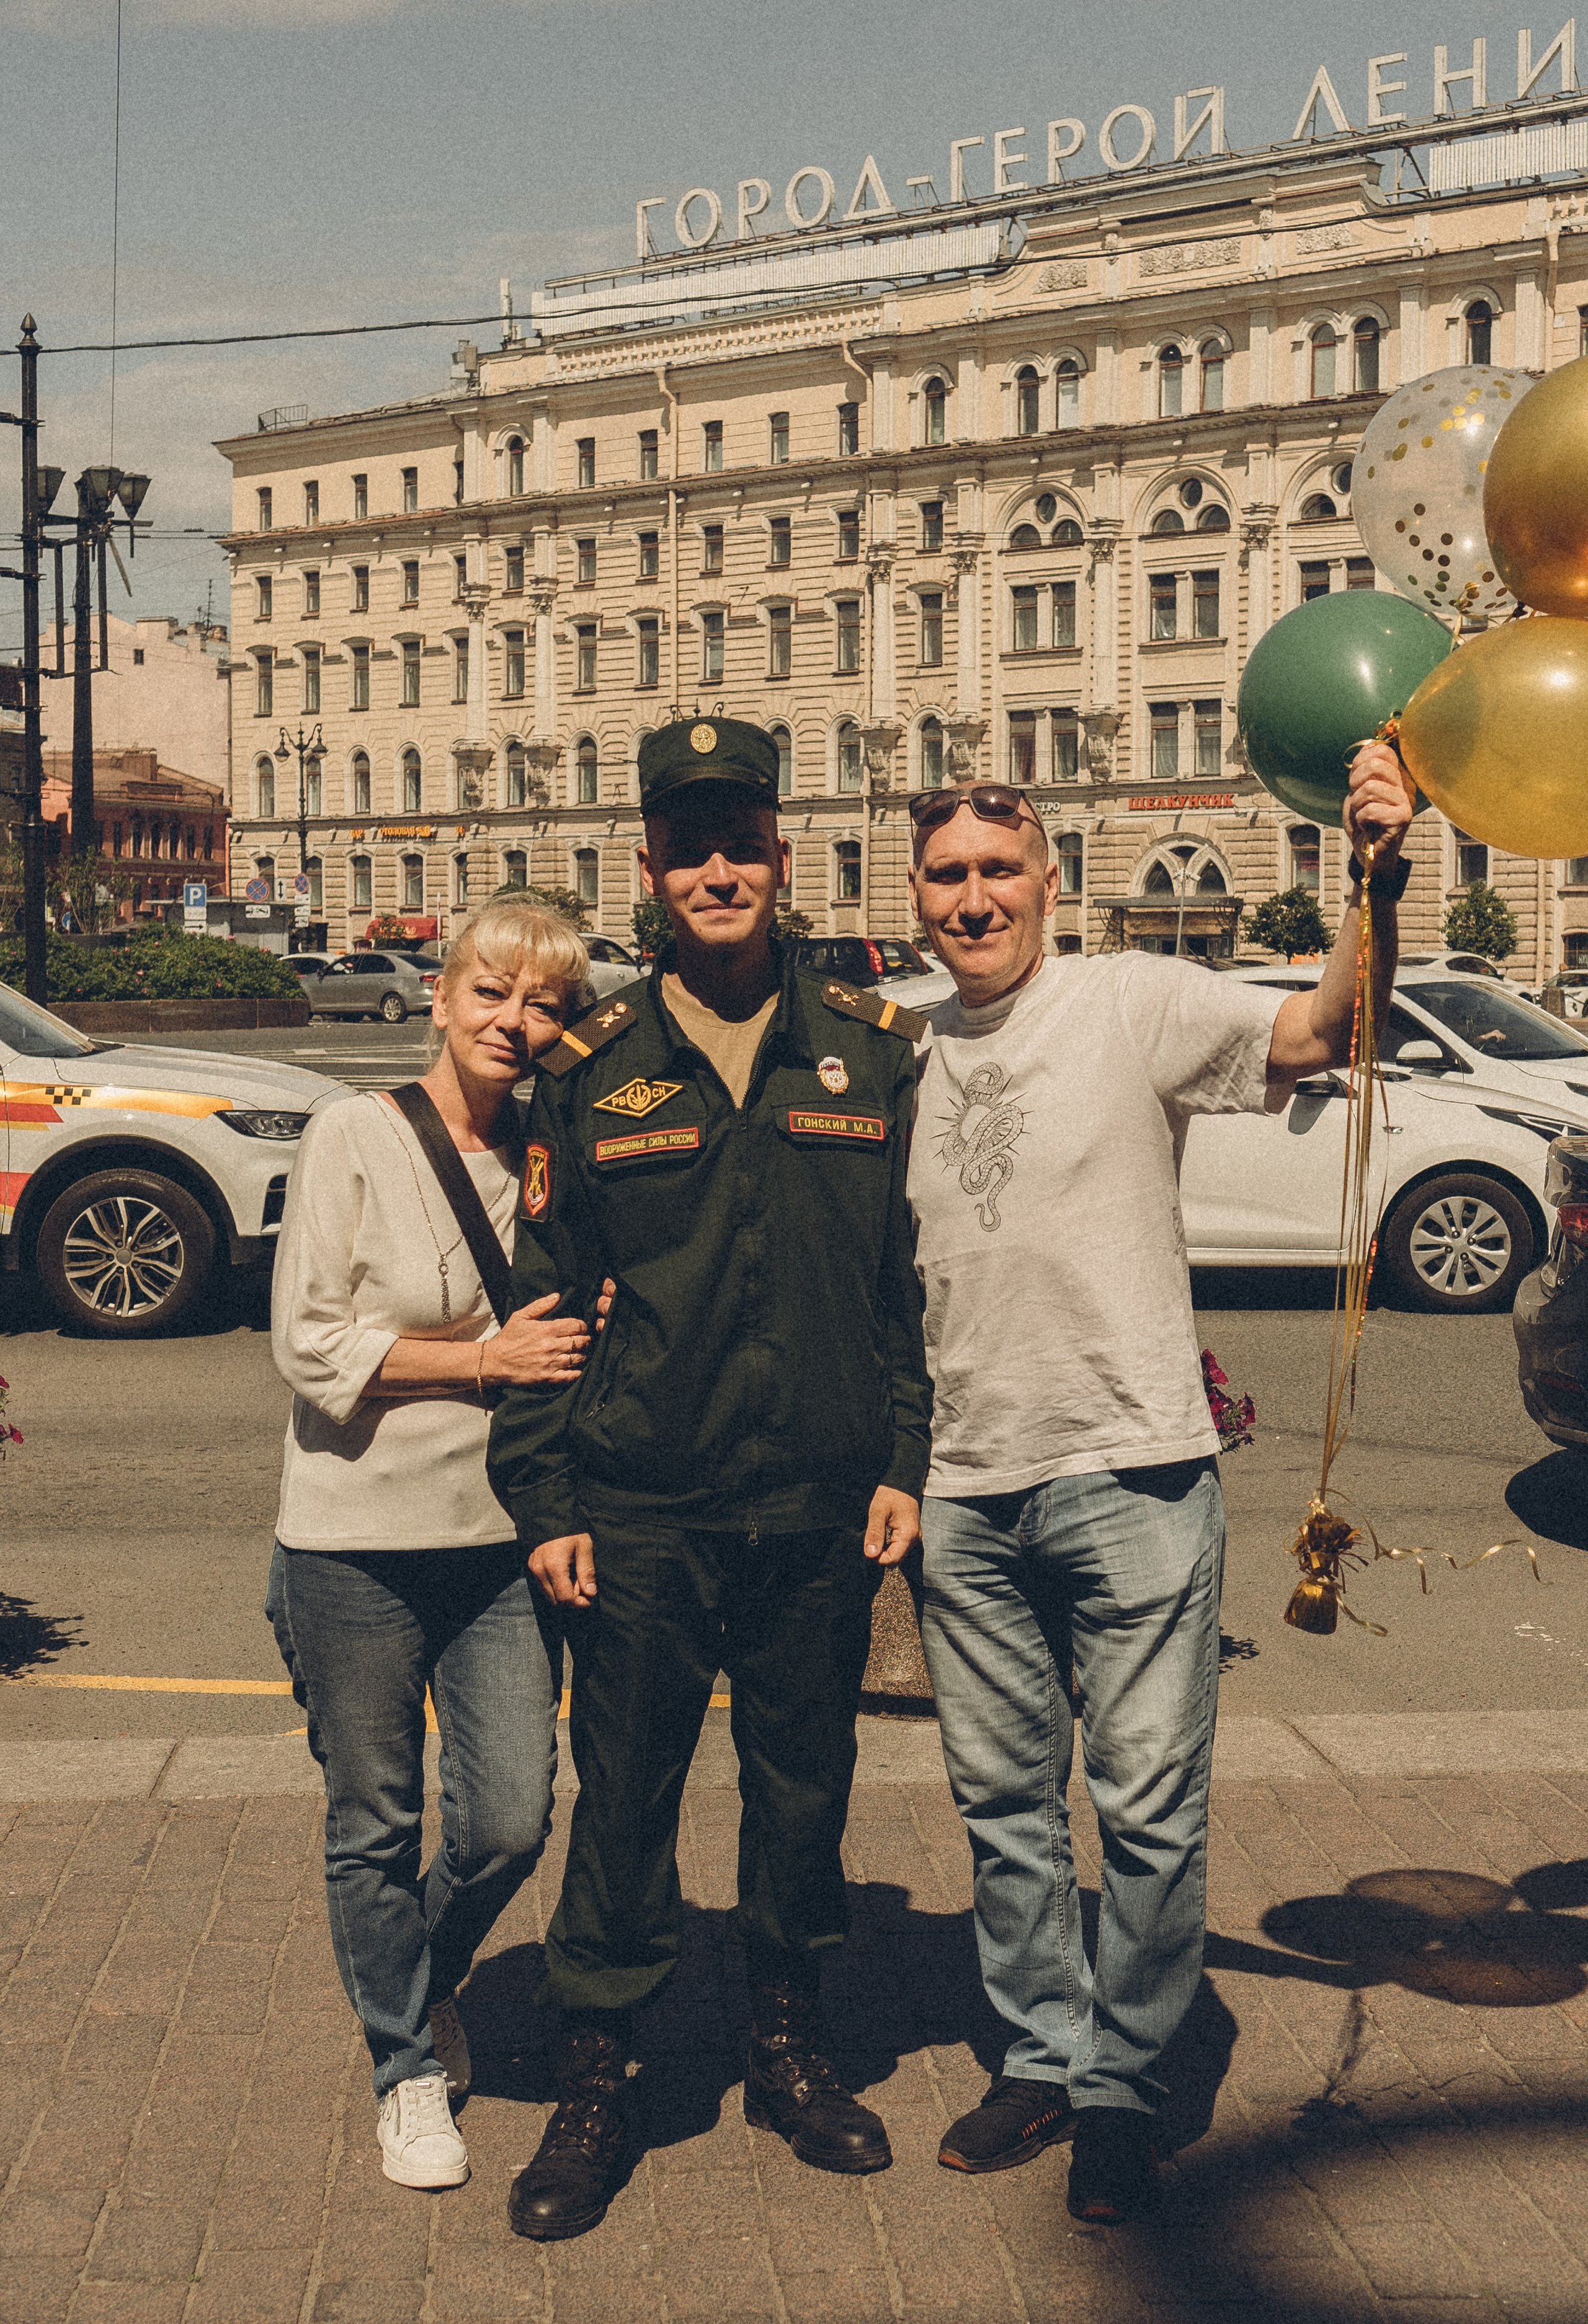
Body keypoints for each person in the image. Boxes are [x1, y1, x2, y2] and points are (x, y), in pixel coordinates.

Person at [907, 745, 1414, 2221]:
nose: (975, 896)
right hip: (963, 1481)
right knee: (1002, 1804)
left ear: (1048, 882)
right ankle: (1038, 2055)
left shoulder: (1127, 998)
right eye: (948, 874)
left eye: (1001, 869)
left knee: (1144, 1809)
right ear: (915, 894)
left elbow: (1326, 1030)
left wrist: (1373, 868)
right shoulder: (900, 1041)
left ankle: (1122, 2086)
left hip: (1128, 1465)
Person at [486, 715, 932, 2242]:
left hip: (817, 1502)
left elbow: (899, 1290)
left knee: (803, 1786)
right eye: (690, 847)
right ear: (650, 869)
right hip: (642, 1507)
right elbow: (544, 1306)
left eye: (742, 841)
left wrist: (902, 1461)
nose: (719, 870)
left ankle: (787, 2040)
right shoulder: (596, 1068)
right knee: (624, 1800)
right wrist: (543, 1505)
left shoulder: (869, 1051)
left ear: (782, 860)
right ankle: (599, 2073)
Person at [268, 901, 604, 2193]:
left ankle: (416, 1974)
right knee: (373, 1819)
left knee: (513, 1814)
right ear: (440, 995)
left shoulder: (548, 1153)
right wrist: (483, 1360)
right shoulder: (356, 1134)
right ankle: (406, 2067)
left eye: (545, 1005)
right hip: (353, 1536)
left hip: (499, 1538)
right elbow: (306, 1345)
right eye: (492, 992)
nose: (515, 1022)